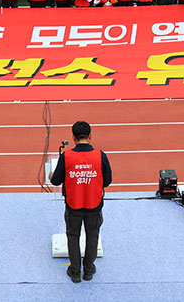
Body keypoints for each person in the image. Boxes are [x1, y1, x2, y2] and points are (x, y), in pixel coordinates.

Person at [50, 121, 112, 283]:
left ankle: (75, 272)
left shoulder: (67, 156)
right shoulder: (100, 155)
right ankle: (89, 270)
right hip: (94, 205)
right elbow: (107, 181)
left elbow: (56, 181)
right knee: (93, 237)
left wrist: (51, 176)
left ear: (73, 137)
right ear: (90, 136)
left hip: (73, 206)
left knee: (73, 237)